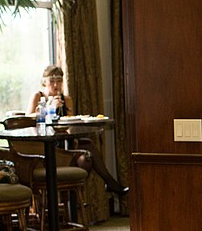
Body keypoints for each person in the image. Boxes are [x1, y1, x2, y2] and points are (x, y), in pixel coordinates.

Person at [26, 65, 128, 195]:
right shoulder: (38, 97)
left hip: (65, 143)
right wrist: (49, 108)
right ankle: (107, 184)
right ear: (44, 82)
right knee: (87, 150)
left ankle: (73, 199)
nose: (55, 85)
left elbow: (71, 124)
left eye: (59, 81)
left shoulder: (66, 100)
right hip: (46, 146)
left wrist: (63, 111)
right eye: (52, 81)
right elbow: (27, 120)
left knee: (86, 157)